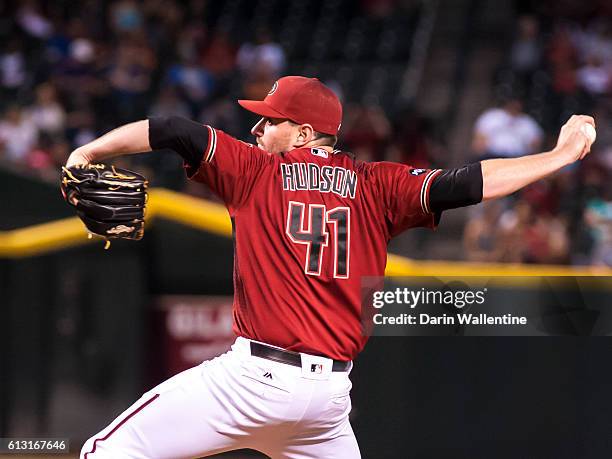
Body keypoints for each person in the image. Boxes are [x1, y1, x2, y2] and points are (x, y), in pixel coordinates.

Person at [66, 76, 595, 459]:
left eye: (268, 120)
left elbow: (174, 129)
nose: (255, 129)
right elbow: (467, 182)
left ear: (300, 134)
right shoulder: (378, 185)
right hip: (325, 406)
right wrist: (559, 155)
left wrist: (89, 151)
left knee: (107, 452)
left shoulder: (254, 171)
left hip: (251, 382)